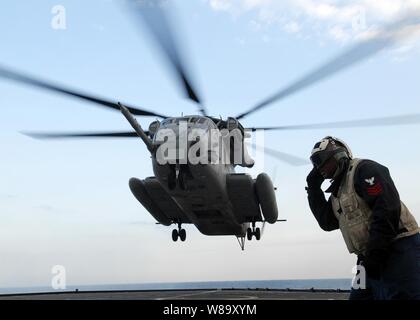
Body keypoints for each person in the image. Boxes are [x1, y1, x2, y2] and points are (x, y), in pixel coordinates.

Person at [306, 136, 420, 300]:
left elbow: (387, 208)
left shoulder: (365, 170)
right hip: (367, 258)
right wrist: (313, 189)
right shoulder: (338, 192)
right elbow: (327, 222)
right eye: (315, 164)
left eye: (322, 161)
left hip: (399, 248)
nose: (319, 167)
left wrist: (376, 254)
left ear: (339, 155)